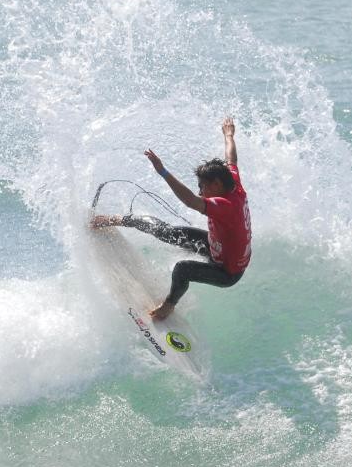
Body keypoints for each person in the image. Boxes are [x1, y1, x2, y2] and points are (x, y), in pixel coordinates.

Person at [92, 117, 251, 320]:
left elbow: (190, 200)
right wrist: (228, 135)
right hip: (216, 246)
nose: (200, 190)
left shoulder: (227, 206)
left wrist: (163, 172)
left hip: (226, 271)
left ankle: (168, 306)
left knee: (182, 269)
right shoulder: (233, 184)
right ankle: (117, 219)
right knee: (167, 232)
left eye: (203, 185)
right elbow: (232, 160)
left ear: (217, 184)